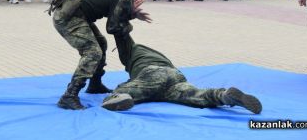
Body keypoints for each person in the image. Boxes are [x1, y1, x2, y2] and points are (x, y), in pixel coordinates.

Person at [50, 0, 156, 110]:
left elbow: (113, 12)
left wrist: (131, 13)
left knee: (101, 43)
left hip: (76, 14)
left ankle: (95, 84)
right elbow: (113, 27)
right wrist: (129, 20)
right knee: (93, 52)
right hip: (68, 17)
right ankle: (69, 96)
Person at [102, 33, 262, 115]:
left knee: (122, 89)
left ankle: (120, 97)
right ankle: (223, 96)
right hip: (175, 76)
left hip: (153, 75)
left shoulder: (132, 49)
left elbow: (121, 33)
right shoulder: (155, 53)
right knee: (197, 95)